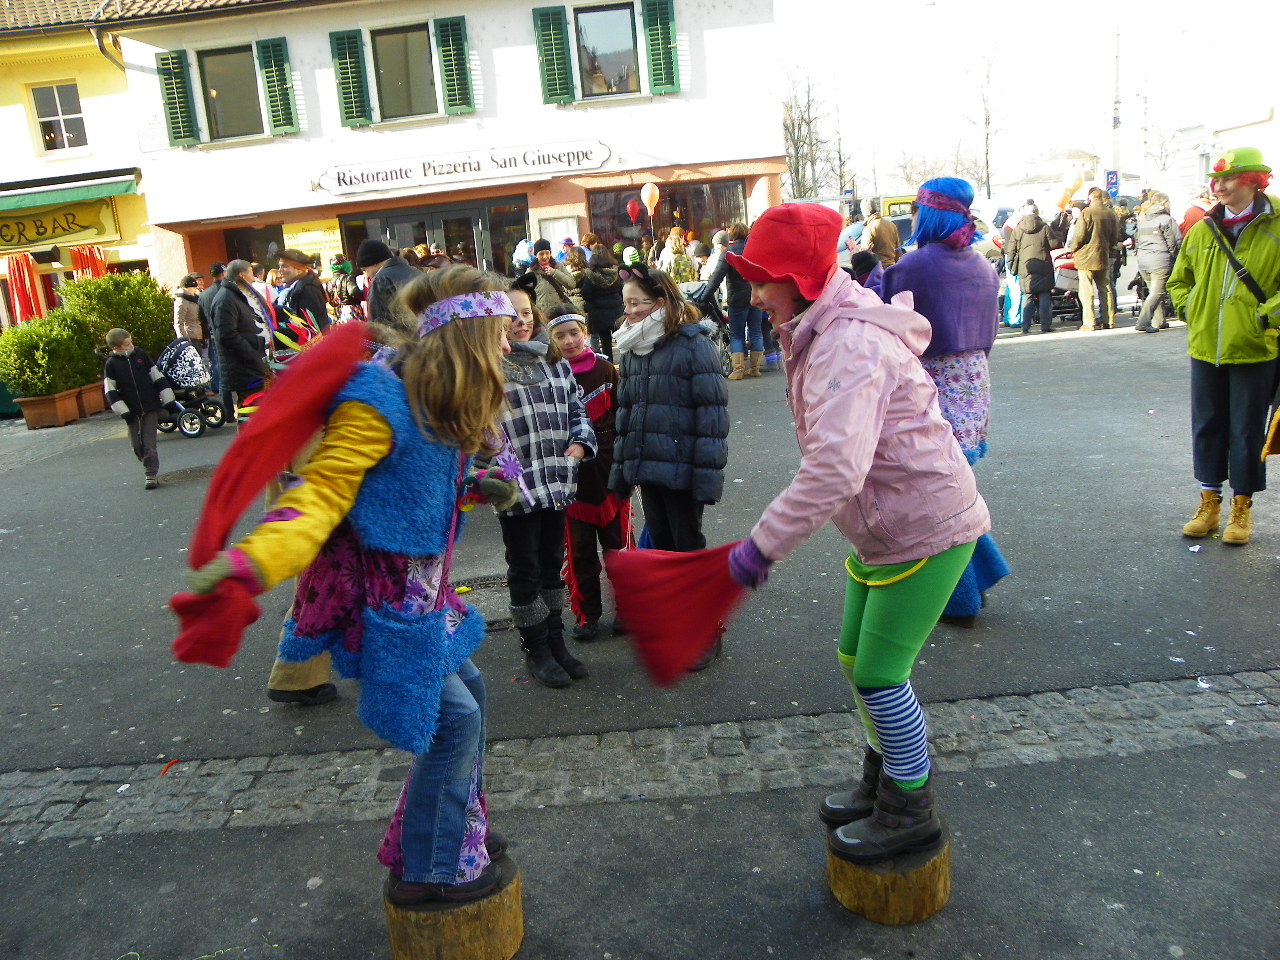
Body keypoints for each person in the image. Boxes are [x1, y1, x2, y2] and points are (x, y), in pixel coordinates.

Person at [182, 265, 518, 906]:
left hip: (425, 597)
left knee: (469, 695)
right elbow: (322, 493)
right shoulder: (381, 401)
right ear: (471, 338)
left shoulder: (436, 395)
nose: (509, 344)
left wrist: (476, 485)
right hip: (384, 602)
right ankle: (430, 867)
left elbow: (407, 485)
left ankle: (455, 830)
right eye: (501, 331)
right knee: (454, 722)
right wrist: (251, 564)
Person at [723, 202, 990, 862]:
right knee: (855, 660)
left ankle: (910, 804)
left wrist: (762, 547)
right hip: (886, 525)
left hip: (924, 525)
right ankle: (885, 776)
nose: (754, 297)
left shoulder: (848, 344)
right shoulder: (823, 327)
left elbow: (835, 467)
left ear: (799, 282)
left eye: (763, 281)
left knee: (879, 675)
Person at [880, 179, 1009, 629]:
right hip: (973, 384)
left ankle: (961, 598)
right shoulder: (983, 266)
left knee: (936, 499)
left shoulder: (913, 267)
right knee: (952, 489)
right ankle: (979, 577)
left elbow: (887, 330)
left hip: (929, 387)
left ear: (928, 214)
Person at [609, 262, 729, 665]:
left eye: (636, 303)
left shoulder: (693, 343)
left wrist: (707, 476)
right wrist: (623, 468)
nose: (629, 312)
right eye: (626, 304)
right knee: (661, 548)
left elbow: (712, 415)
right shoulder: (633, 345)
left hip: (684, 467)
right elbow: (627, 412)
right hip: (649, 467)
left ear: (660, 302)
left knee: (687, 548)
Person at [488, 275, 596, 687]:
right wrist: (501, 470)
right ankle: (536, 649)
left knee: (553, 565)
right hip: (516, 489)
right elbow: (479, 431)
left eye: (526, 312)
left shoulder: (554, 361)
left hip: (556, 481)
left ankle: (556, 640)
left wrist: (580, 446)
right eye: (511, 316)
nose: (521, 322)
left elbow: (576, 409)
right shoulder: (488, 367)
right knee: (526, 569)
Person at [1169, 147, 1280, 546]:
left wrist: (1265, 316)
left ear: (1254, 182)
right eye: (1215, 180)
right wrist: (1192, 310)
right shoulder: (1202, 229)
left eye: (1228, 178)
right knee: (1207, 426)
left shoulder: (1277, 225)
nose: (1219, 187)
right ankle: (1209, 502)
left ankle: (1242, 507)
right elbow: (1178, 281)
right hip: (1206, 347)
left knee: (1247, 431)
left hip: (1255, 348)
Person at [544, 307, 629, 641]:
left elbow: (623, 417)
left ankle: (628, 611)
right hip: (571, 478)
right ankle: (588, 615)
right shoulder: (550, 374)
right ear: (551, 340)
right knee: (579, 551)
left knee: (618, 549)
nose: (568, 341)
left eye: (574, 333)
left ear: (586, 334)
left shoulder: (606, 370)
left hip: (609, 474)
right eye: (560, 336)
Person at [103, 328, 180, 490]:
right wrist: (123, 411)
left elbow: (156, 375)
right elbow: (110, 391)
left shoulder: (140, 355)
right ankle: (147, 462)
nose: (132, 346)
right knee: (136, 445)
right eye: (127, 345)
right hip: (131, 410)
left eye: (131, 343)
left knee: (149, 443)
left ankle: (150, 474)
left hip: (150, 406)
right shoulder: (111, 365)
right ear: (116, 348)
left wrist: (168, 398)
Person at [698, 222, 765, 379]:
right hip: (755, 297)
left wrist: (703, 298)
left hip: (736, 300)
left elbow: (715, 279)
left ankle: (738, 370)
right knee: (756, 331)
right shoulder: (753, 251)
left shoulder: (728, 253)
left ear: (731, 236)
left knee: (737, 334)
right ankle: (755, 368)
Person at [210, 259, 271, 411]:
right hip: (245, 368)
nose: (254, 278)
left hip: (253, 364)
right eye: (251, 273)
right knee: (250, 410)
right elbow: (227, 335)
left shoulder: (238, 294)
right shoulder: (225, 299)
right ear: (242, 275)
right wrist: (253, 356)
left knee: (259, 410)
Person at [1067, 187, 1120, 330]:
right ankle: (1109, 321)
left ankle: (1089, 322)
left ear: (1090, 197)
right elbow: (1115, 237)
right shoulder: (1110, 213)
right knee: (1105, 289)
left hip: (1086, 257)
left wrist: (1072, 249)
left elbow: (1079, 236)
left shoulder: (1086, 213)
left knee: (1086, 290)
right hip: (1103, 255)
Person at [1131, 192, 1181, 333]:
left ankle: (1159, 321)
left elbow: (1137, 241)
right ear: (1165, 204)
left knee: (1153, 292)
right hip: (1160, 261)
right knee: (1157, 293)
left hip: (1143, 262)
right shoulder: (1167, 220)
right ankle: (1142, 322)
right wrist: (1176, 258)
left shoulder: (1144, 221)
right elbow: (1175, 242)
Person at [1005, 203, 1057, 334]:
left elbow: (1011, 250)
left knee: (1027, 295)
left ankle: (1025, 326)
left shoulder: (1018, 229)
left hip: (1025, 266)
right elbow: (1054, 244)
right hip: (1044, 264)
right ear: (1037, 212)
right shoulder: (1045, 227)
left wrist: (1011, 266)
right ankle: (1045, 326)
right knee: (1044, 294)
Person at [358, 239, 421, 325]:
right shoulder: (416, 272)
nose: (366, 275)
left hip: (400, 332)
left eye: (365, 269)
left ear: (373, 263)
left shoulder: (380, 280)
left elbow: (377, 323)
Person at [578, 246, 624, 359]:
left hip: (599, 313)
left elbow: (586, 294)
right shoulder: (615, 273)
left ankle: (609, 364)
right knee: (622, 340)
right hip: (616, 310)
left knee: (605, 343)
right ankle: (625, 361)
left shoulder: (589, 275)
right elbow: (621, 290)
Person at [276, 249, 330, 333]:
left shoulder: (308, 290)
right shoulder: (292, 289)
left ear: (298, 268)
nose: (280, 270)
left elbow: (315, 326)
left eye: (284, 266)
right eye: (279, 266)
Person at [523, 239, 577, 315]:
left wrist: (555, 273)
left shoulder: (558, 266)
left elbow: (572, 284)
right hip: (542, 314)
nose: (545, 257)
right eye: (541, 254)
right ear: (536, 255)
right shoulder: (531, 272)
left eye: (547, 253)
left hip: (559, 311)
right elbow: (526, 294)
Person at [861, 199, 901, 270]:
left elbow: (865, 255)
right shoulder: (891, 225)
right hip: (892, 268)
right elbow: (898, 251)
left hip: (878, 270)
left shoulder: (868, 229)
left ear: (864, 212)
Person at [173, 274, 204, 348]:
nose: (195, 289)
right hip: (190, 337)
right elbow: (178, 323)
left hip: (198, 336)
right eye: (193, 287)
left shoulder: (195, 299)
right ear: (186, 288)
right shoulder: (181, 302)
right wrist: (185, 341)